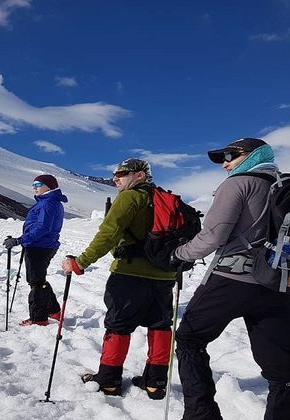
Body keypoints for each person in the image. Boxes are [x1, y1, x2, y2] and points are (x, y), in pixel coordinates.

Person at [170, 138, 290, 420]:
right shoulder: (289, 188)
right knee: (281, 368)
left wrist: (181, 253)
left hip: (233, 280)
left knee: (190, 338)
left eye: (230, 156)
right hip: (280, 285)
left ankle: (201, 416)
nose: (224, 163)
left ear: (254, 155)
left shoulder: (238, 183)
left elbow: (213, 235)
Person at [62, 158, 177, 400]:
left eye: (123, 173)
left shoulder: (130, 197)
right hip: (165, 275)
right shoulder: (165, 199)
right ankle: (155, 382)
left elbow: (108, 233)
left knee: (119, 325)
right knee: (160, 325)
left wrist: (80, 262)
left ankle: (109, 381)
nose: (116, 178)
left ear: (140, 176)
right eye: (115, 173)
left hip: (129, 274)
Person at [3, 174, 67, 327]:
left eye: (38, 185)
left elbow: (42, 228)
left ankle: (39, 318)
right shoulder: (50, 202)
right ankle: (53, 310)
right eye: (34, 185)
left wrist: (20, 240)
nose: (34, 188)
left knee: (36, 282)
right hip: (42, 245)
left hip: (39, 246)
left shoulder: (47, 203)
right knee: (39, 279)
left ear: (48, 186)